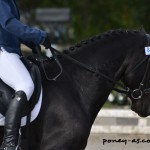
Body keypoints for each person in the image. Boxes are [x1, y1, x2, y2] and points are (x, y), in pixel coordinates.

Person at [0, 0, 51, 150]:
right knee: (25, 85)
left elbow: (9, 30)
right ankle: (9, 142)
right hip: (2, 50)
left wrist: (31, 42)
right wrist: (38, 35)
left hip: (8, 49)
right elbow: (8, 23)